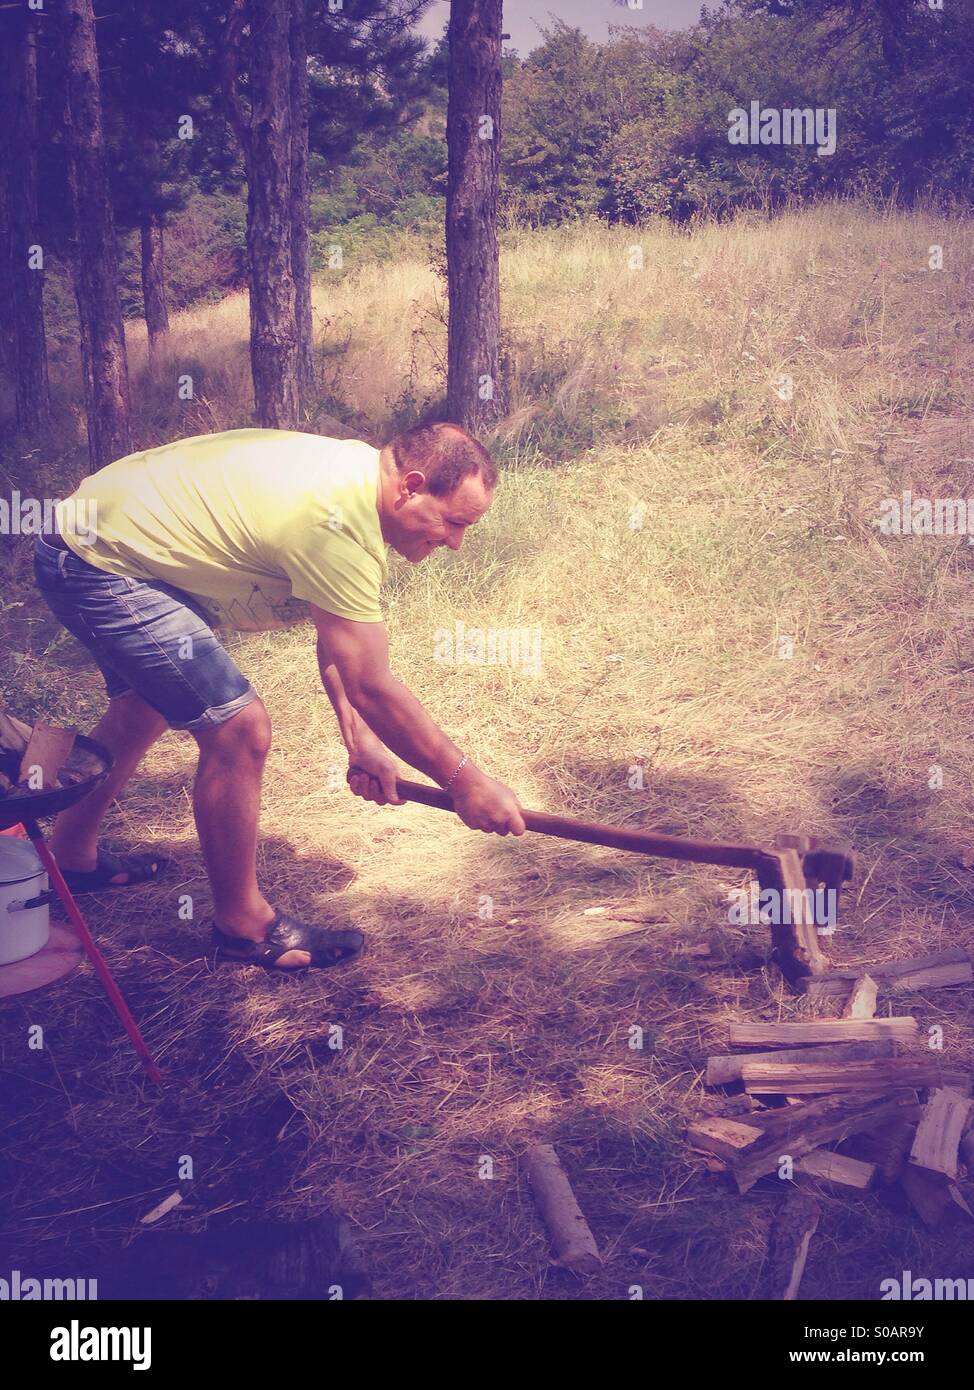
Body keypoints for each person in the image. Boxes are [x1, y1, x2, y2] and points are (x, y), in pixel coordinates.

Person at [33, 422, 526, 972]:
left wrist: (360, 744)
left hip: (100, 537)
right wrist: (464, 780)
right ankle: (242, 928)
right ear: (410, 486)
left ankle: (71, 859)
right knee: (238, 729)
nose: (456, 543)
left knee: (141, 708)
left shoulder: (356, 489)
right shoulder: (336, 522)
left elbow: (339, 645)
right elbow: (370, 682)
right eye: (454, 522)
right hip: (96, 561)